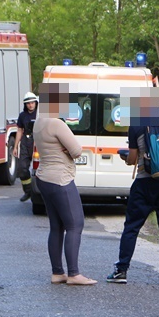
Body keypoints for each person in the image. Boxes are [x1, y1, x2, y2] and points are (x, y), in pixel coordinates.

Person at [107, 87, 159, 285]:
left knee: (132, 226)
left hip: (145, 181)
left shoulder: (137, 123)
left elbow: (133, 159)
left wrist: (127, 158)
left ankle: (121, 270)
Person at [33, 83, 96, 285]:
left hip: (44, 177)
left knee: (56, 226)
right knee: (75, 224)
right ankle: (74, 274)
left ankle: (57, 272)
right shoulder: (57, 124)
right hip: (61, 178)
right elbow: (77, 151)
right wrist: (68, 150)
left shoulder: (38, 122)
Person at [14, 92, 38, 202]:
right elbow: (20, 130)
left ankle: (39, 192)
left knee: (39, 169)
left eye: (32, 103)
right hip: (25, 141)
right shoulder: (22, 115)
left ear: (36, 103)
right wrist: (15, 147)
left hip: (37, 141)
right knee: (22, 168)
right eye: (28, 103)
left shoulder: (40, 114)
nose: (30, 105)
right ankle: (28, 191)